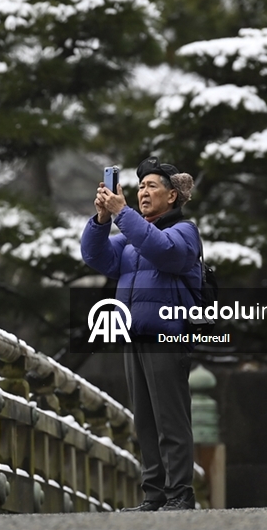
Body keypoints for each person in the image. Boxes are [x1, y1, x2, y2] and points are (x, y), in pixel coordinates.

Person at [80, 157, 201, 511]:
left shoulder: (184, 232)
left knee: (170, 419)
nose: (143, 193)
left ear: (172, 196)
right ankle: (154, 494)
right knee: (145, 421)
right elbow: (95, 256)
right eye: (141, 186)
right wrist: (102, 219)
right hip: (133, 336)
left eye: (152, 187)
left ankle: (180, 493)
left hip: (167, 336)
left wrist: (122, 213)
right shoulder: (131, 241)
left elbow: (164, 251)